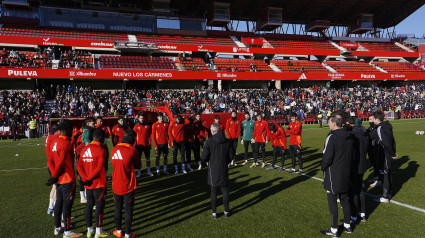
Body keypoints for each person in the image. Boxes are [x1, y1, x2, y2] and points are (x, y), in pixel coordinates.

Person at [46, 119, 83, 238]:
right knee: (67, 206)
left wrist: (54, 175)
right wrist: (55, 175)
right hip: (67, 178)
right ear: (67, 130)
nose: (72, 131)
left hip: (59, 178)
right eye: (71, 129)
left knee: (59, 203)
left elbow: (50, 161)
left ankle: (57, 227)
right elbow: (61, 162)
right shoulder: (66, 143)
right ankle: (67, 232)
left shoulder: (56, 141)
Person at [320, 113, 354, 237]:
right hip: (346, 172)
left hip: (333, 174)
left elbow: (327, 157)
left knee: (332, 201)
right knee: (345, 199)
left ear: (334, 123)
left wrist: (323, 167)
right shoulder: (350, 136)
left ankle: (334, 230)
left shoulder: (332, 137)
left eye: (329, 122)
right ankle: (347, 225)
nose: (328, 124)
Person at [77, 129, 109, 238]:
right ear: (100, 137)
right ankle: (98, 232)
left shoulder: (84, 149)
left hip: (87, 183)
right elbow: (100, 167)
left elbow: (79, 166)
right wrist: (90, 178)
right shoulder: (102, 150)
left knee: (89, 206)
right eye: (104, 137)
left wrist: (85, 178)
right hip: (98, 183)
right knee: (99, 207)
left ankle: (89, 230)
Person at [111, 129, 140, 238]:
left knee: (117, 207)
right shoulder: (132, 150)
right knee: (128, 210)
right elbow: (138, 165)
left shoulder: (114, 149)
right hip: (128, 185)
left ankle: (118, 231)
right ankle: (127, 234)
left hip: (115, 184)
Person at [201, 123, 234, 219]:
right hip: (223, 167)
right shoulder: (227, 142)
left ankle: (214, 213)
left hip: (213, 169)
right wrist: (225, 162)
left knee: (214, 190)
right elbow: (231, 155)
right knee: (224, 190)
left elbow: (203, 157)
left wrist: (209, 161)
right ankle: (226, 211)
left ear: (212, 131)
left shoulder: (209, 142)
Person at [373, 111, 397, 203]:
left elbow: (385, 142)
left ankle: (385, 196)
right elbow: (393, 140)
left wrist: (391, 153)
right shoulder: (388, 126)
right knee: (388, 172)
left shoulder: (380, 128)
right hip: (389, 152)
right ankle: (388, 193)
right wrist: (394, 152)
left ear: (377, 119)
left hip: (385, 153)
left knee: (386, 173)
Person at [349, 119, 369, 223]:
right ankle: (363, 214)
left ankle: (354, 216)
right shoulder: (364, 131)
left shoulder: (353, 132)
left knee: (354, 191)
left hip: (355, 164)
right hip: (362, 163)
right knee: (360, 189)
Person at [45, 124, 59, 215]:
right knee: (58, 189)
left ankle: (51, 207)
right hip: (54, 165)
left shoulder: (48, 138)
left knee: (54, 187)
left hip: (50, 164)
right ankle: (55, 210)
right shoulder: (53, 138)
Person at [96, 116, 111, 181]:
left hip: (104, 147)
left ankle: (106, 175)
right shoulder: (95, 128)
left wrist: (107, 130)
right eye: (100, 121)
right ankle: (98, 175)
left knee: (105, 161)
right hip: (97, 147)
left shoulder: (104, 127)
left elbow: (108, 136)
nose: (101, 122)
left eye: (102, 121)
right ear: (97, 121)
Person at [367, 114, 380, 187]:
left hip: (376, 148)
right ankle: (375, 177)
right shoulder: (370, 128)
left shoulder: (377, 128)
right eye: (369, 119)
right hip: (370, 149)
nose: (369, 121)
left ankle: (379, 179)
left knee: (377, 164)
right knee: (373, 164)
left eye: (371, 119)